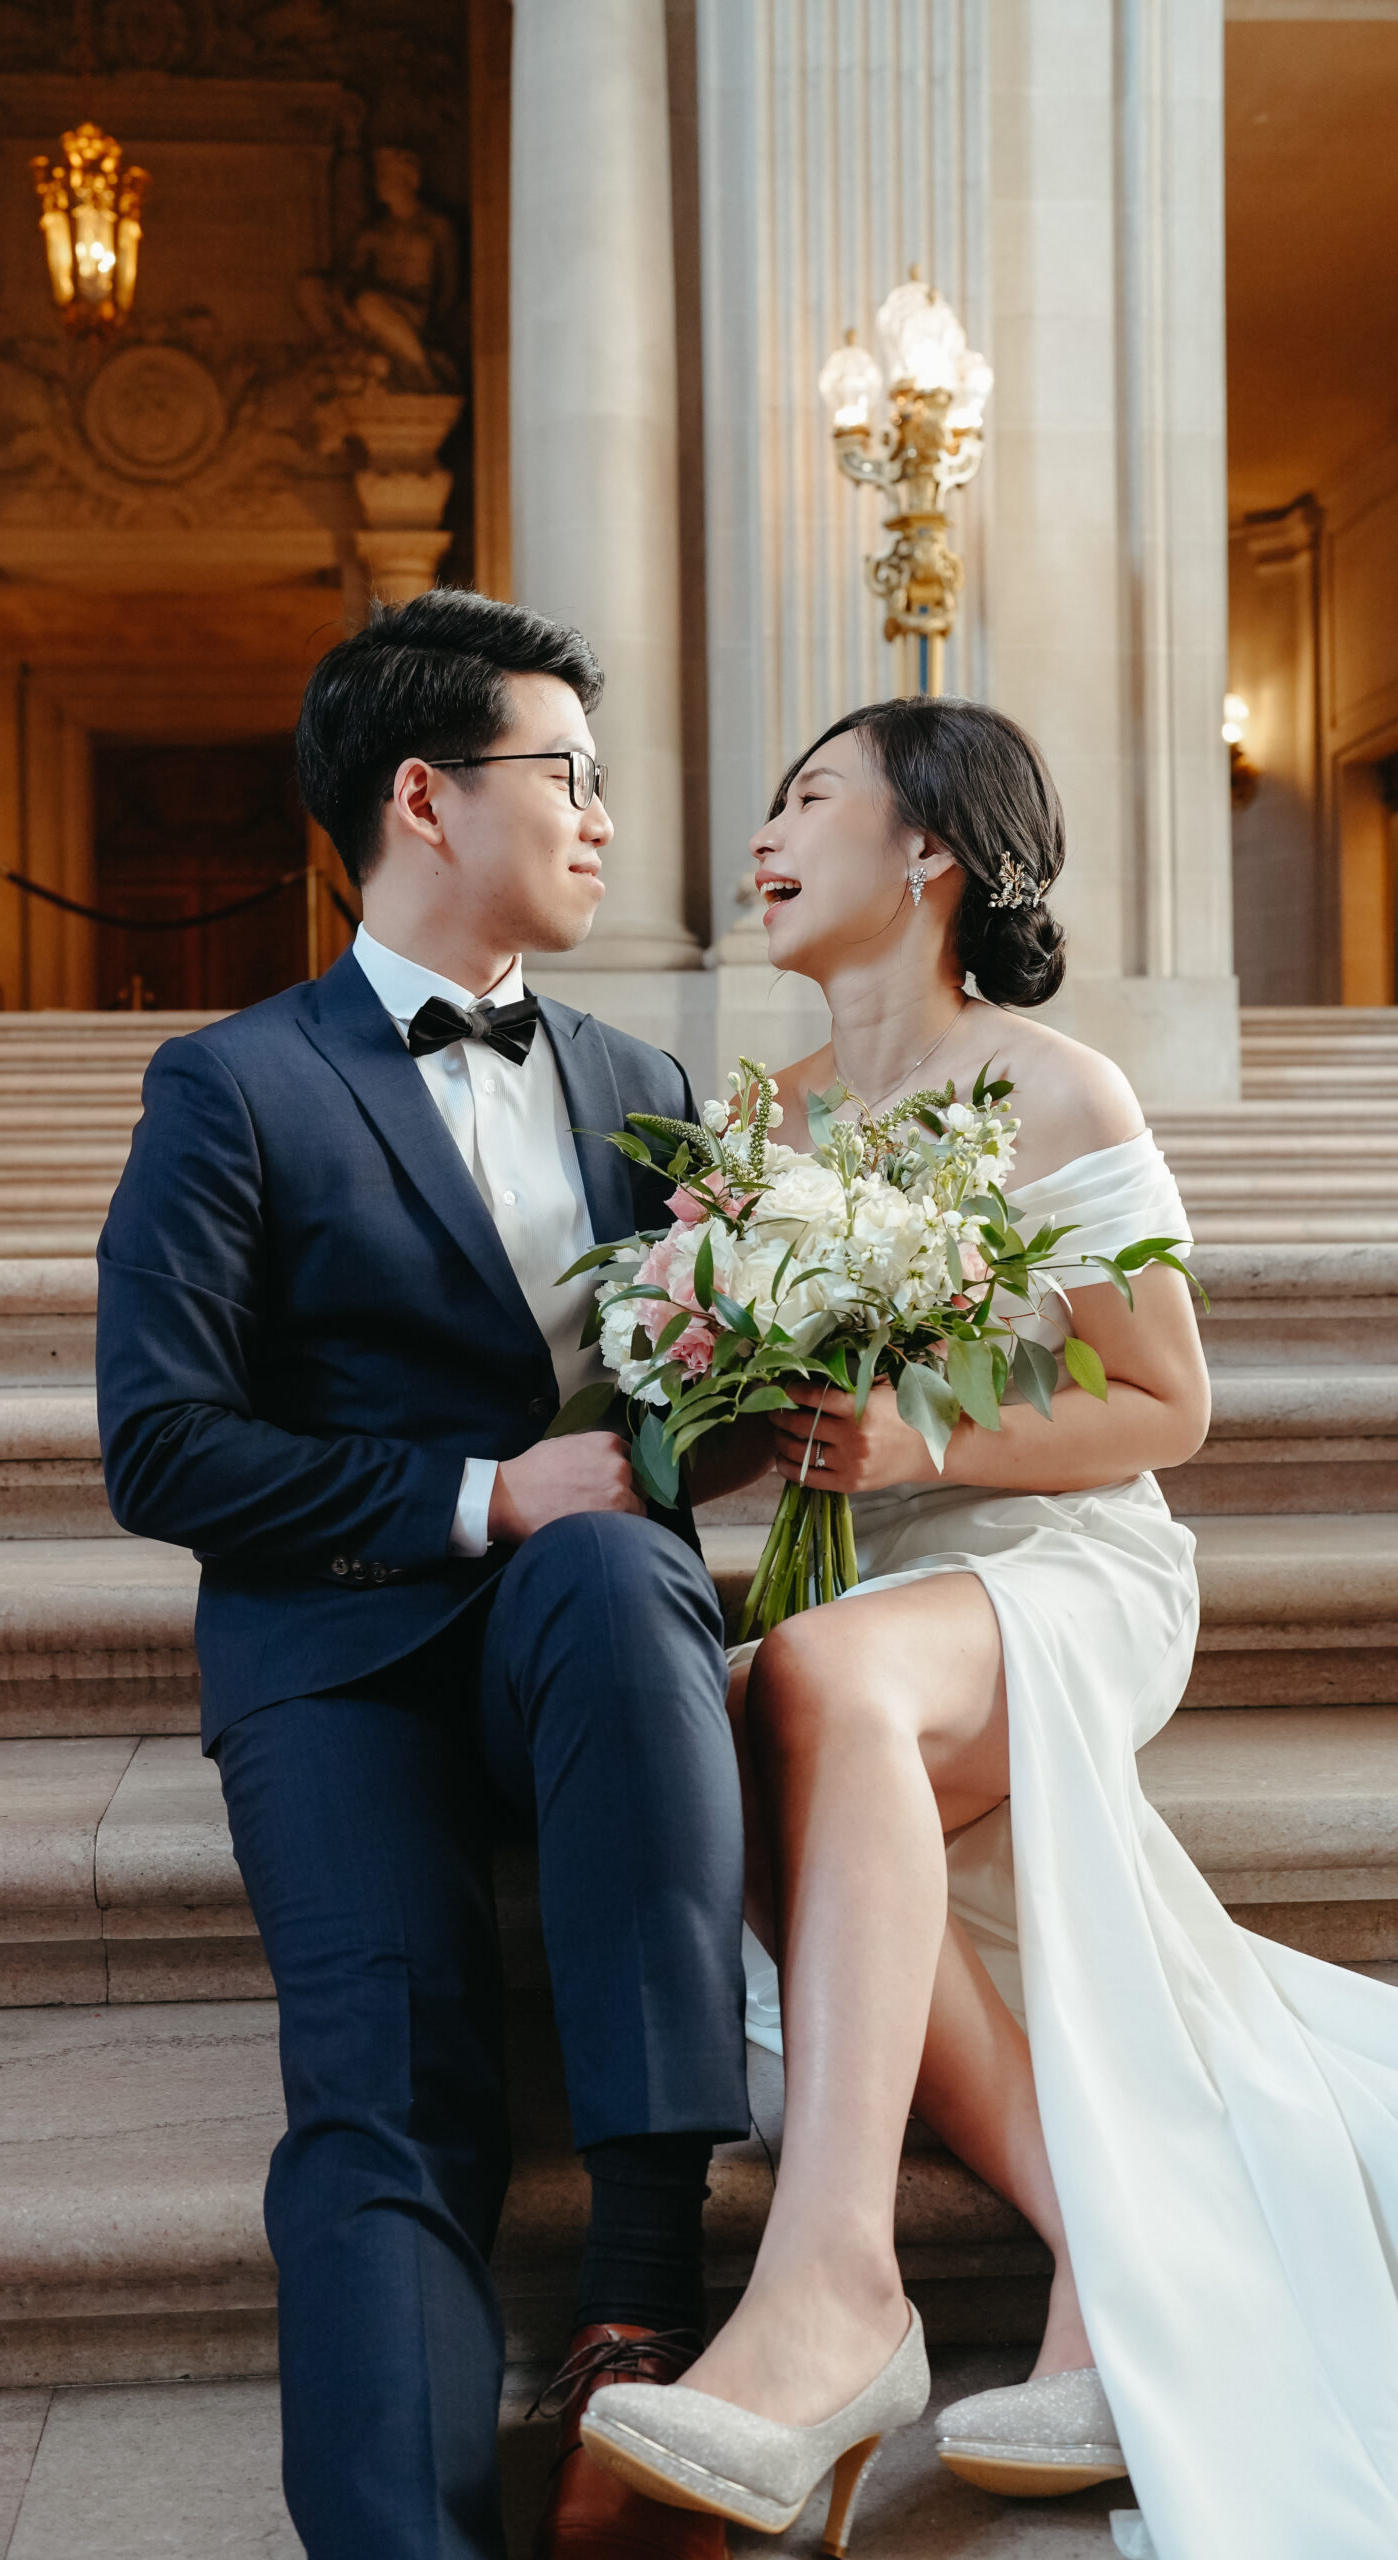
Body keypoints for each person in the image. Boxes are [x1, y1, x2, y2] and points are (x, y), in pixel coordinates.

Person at [579, 697, 1398, 2559]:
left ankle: (830, 2293)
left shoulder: (1055, 1088)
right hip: (868, 1578)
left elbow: (1166, 1404)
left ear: (929, 847)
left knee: (808, 1678)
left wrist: (918, 1428)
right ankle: (1120, 2255)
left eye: (810, 800)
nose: (764, 838)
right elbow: (699, 1412)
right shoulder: (757, 1121)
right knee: (766, 1718)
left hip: (1066, 1558)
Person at [96, 588, 749, 2560]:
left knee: (628, 1569)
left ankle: (640, 2285)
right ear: (423, 798)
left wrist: (760, 1391)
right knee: (378, 2102)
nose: (603, 815)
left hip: (589, 1640)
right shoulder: (236, 1084)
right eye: (567, 774)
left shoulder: (642, 1074)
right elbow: (162, 1443)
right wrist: (477, 1489)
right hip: (342, 1650)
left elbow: (685, 1414)